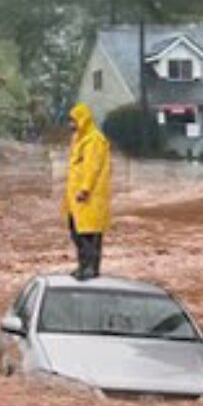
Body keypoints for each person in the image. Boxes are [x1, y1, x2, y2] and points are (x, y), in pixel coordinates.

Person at [62, 104, 112, 281]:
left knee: (89, 235)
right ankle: (83, 266)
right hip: (75, 198)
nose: (70, 124)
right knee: (76, 232)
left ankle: (92, 268)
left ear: (82, 120)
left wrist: (85, 189)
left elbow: (93, 167)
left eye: (73, 120)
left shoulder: (94, 140)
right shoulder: (78, 140)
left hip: (90, 198)